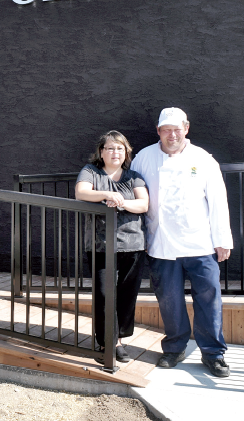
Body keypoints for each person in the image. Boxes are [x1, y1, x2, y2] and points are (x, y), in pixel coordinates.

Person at [130, 107, 234, 378]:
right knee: (169, 299)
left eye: (177, 129)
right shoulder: (144, 157)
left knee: (209, 297)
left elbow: (218, 201)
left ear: (186, 129)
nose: (172, 134)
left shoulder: (203, 159)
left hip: (200, 242)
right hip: (161, 243)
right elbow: (133, 195)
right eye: (166, 129)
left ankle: (213, 353)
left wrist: (223, 240)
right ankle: (175, 347)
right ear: (158, 131)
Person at [75, 130, 149, 364]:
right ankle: (107, 342)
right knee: (105, 295)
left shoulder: (133, 176)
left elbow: (143, 204)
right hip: (101, 246)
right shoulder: (91, 172)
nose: (115, 152)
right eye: (110, 148)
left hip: (132, 245)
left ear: (126, 152)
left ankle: (119, 340)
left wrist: (121, 202)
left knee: (127, 296)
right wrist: (108, 194)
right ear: (101, 152)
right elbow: (81, 192)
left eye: (120, 148)